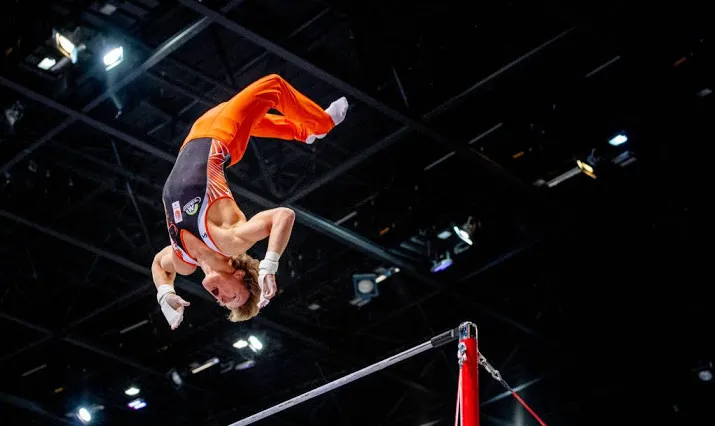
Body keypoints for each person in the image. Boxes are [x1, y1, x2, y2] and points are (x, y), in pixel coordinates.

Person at [151, 74, 349, 330]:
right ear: (240, 275)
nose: (221, 301)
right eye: (233, 297)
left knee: (250, 117)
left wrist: (164, 293)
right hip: (219, 136)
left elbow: (159, 263)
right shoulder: (230, 240)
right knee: (273, 86)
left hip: (200, 136)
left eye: (224, 304)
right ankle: (321, 124)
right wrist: (269, 264)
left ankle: (302, 132)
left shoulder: (183, 262)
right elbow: (283, 216)